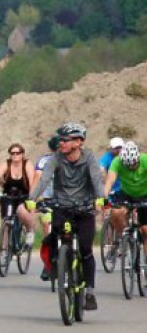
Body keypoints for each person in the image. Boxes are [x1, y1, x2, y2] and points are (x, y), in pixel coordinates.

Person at [29, 123, 106, 309]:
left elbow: (96, 180)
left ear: (78, 142)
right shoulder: (56, 157)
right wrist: (32, 199)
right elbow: (44, 178)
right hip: (61, 205)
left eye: (65, 139)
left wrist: (100, 199)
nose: (61, 142)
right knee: (54, 234)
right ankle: (57, 265)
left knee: (86, 249)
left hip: (85, 208)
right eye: (60, 139)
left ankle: (89, 292)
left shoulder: (89, 158)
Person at [104, 141, 147, 272]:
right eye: (127, 165)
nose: (131, 168)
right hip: (126, 193)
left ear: (137, 159)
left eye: (133, 164)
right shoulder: (117, 162)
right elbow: (110, 180)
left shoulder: (145, 160)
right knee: (116, 212)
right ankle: (123, 237)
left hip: (145, 194)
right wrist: (104, 198)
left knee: (145, 230)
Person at [0, 143, 38, 246]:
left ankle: (29, 231)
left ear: (22, 154)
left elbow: (32, 182)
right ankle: (4, 249)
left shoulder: (27, 164)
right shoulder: (7, 164)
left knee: (22, 211)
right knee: (6, 220)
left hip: (23, 195)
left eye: (18, 153)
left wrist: (32, 199)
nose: (15, 155)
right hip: (8, 195)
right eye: (12, 153)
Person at [101, 137, 127, 257]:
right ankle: (111, 244)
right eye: (115, 148)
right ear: (111, 148)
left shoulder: (126, 157)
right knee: (107, 214)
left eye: (120, 147)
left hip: (124, 190)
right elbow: (100, 168)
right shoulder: (107, 158)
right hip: (111, 190)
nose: (118, 150)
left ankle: (124, 237)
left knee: (121, 214)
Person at [33, 136, 62, 240]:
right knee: (47, 223)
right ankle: (49, 249)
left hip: (67, 198)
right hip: (48, 199)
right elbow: (37, 177)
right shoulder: (44, 160)